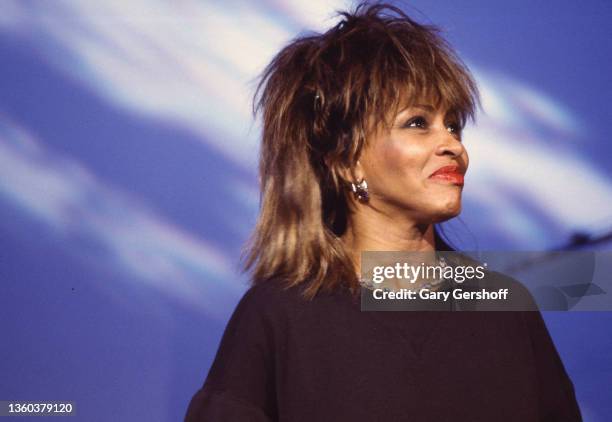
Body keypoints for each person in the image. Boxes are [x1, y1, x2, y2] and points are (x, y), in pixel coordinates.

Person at [185, 2, 582, 421]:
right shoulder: (277, 316)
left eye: (454, 125)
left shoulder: (504, 307)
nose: (453, 145)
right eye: (417, 123)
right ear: (344, 160)